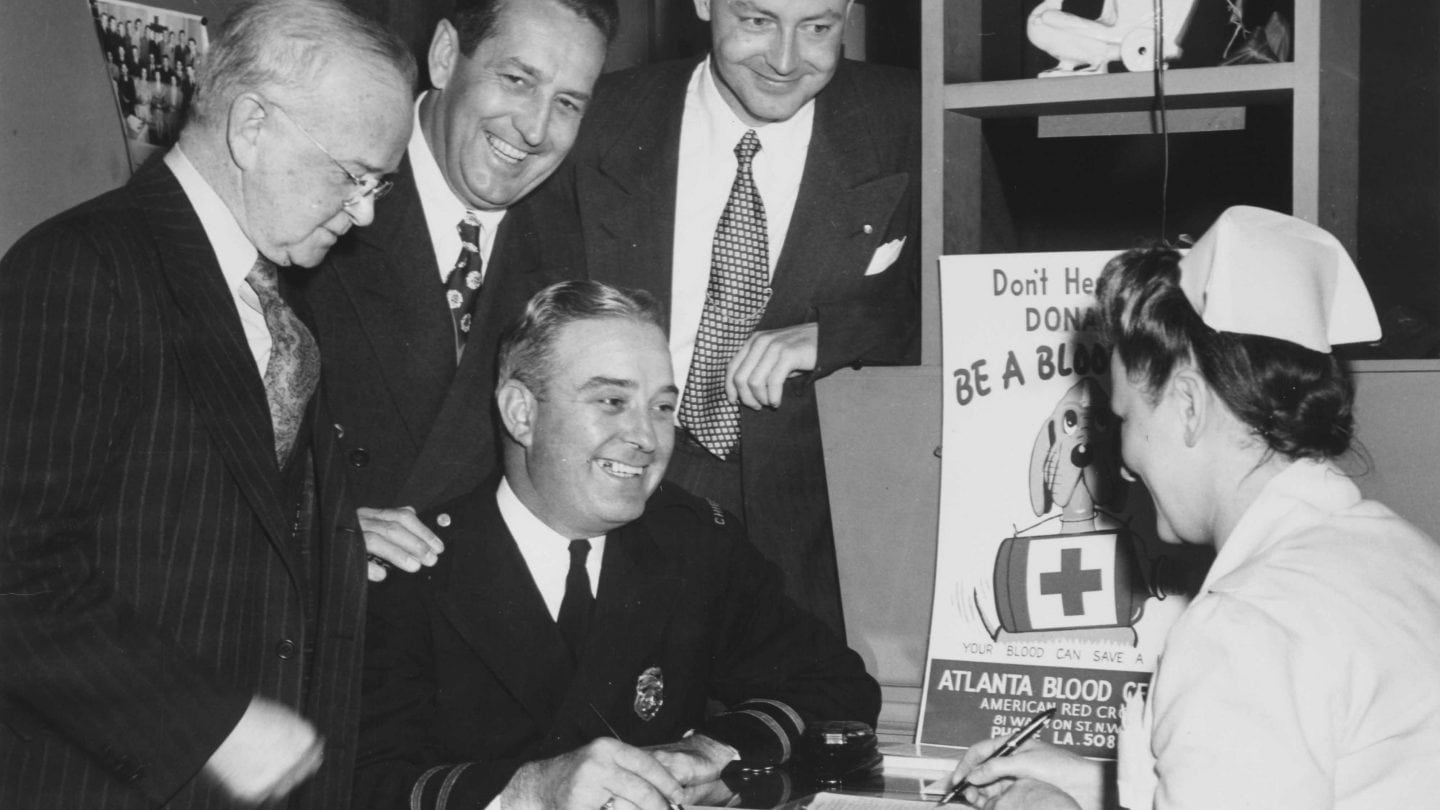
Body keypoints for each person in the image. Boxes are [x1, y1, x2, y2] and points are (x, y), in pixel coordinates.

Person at [0, 1, 421, 806]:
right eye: (353, 175)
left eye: (382, 184)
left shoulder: (283, 301)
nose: (365, 212)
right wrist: (207, 726)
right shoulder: (82, 268)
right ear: (252, 126)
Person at [943, 206, 1440, 810]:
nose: (1122, 461)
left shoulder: (1242, 629)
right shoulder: (1407, 556)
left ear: (1186, 405)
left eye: (1125, 418)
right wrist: (1093, 782)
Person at [355, 280, 881, 810]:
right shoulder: (406, 567)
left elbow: (839, 688)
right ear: (521, 413)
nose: (647, 438)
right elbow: (353, 782)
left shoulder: (694, 545)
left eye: (661, 408)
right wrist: (527, 792)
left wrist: (718, 750)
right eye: (611, 401)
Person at [549, 0, 921, 636]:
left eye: (819, 28)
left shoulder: (911, 115)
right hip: (628, 494)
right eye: (756, 21)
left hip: (822, 526)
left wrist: (841, 333)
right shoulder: (600, 115)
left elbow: (967, 308)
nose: (783, 60)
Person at [301, 0, 617, 580]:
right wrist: (321, 529)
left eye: (567, 103)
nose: (535, 129)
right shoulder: (315, 183)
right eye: (518, 80)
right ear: (446, 56)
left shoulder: (582, 248)